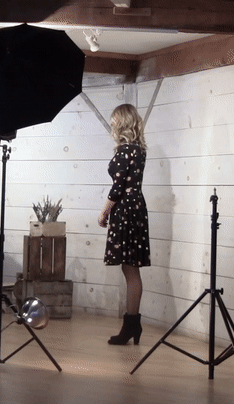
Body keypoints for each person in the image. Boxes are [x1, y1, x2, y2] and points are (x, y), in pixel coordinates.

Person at [97, 103, 151, 346]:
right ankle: (132, 325)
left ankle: (131, 325)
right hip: (136, 207)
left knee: (129, 269)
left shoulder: (124, 151)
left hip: (126, 209)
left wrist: (104, 212)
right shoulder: (139, 150)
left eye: (114, 122)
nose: (112, 127)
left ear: (122, 123)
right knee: (131, 269)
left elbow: (117, 188)